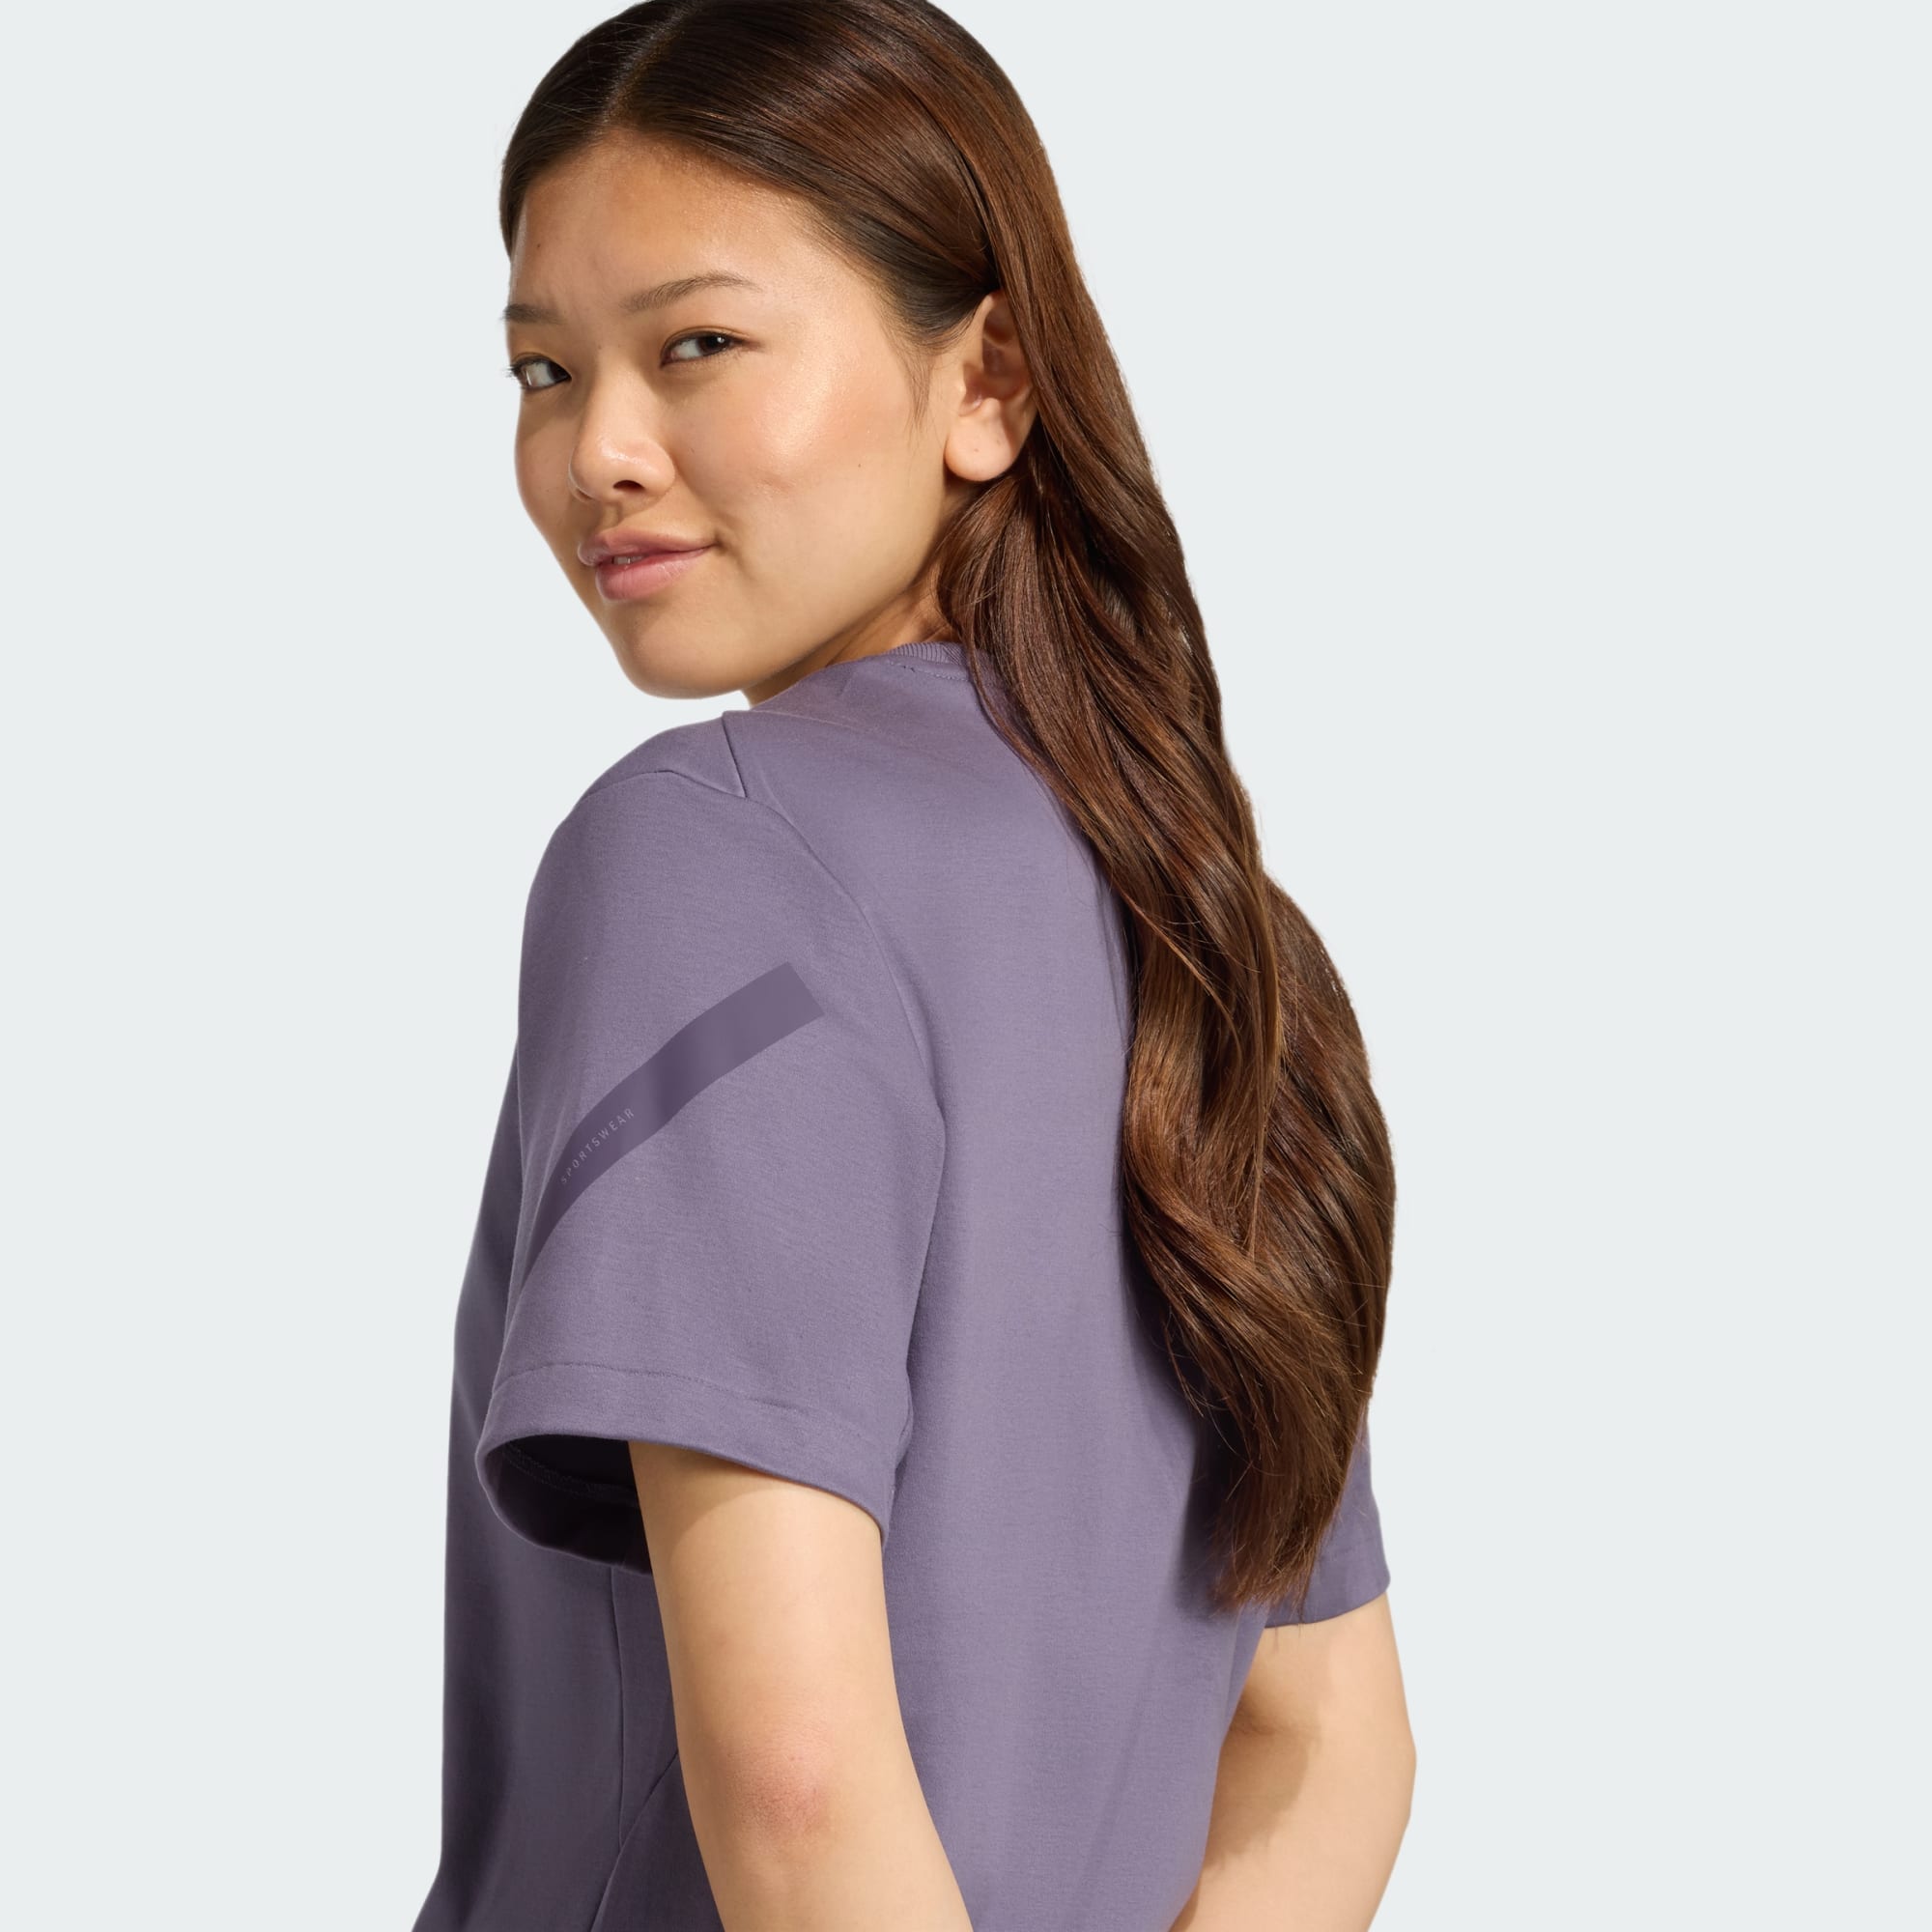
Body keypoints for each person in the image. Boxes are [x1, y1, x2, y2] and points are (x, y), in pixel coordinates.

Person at [411, 1, 1415, 1926]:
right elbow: (1328, 1749)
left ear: (989, 382)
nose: (597, 449)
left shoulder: (710, 849)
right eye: (544, 368)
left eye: (696, 345)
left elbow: (798, 1797)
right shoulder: (1210, 930)